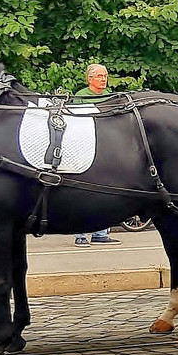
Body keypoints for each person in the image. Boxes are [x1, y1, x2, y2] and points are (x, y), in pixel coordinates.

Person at [74, 64, 118, 247]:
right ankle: (80, 234)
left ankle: (100, 233)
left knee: (107, 191)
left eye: (105, 76)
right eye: (99, 76)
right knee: (83, 192)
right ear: (89, 79)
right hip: (85, 148)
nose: (103, 79)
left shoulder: (110, 97)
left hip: (106, 149)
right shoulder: (81, 97)